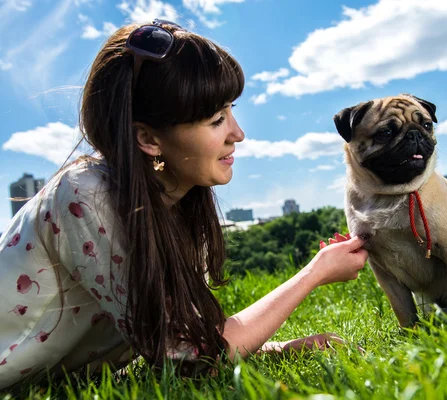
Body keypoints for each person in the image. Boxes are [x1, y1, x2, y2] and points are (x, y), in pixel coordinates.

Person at [0, 20, 368, 389]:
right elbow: (196, 359)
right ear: (147, 138)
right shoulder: (87, 196)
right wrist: (314, 274)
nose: (237, 133)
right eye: (216, 119)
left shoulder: (177, 203)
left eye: (230, 110)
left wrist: (275, 347)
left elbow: (189, 341)